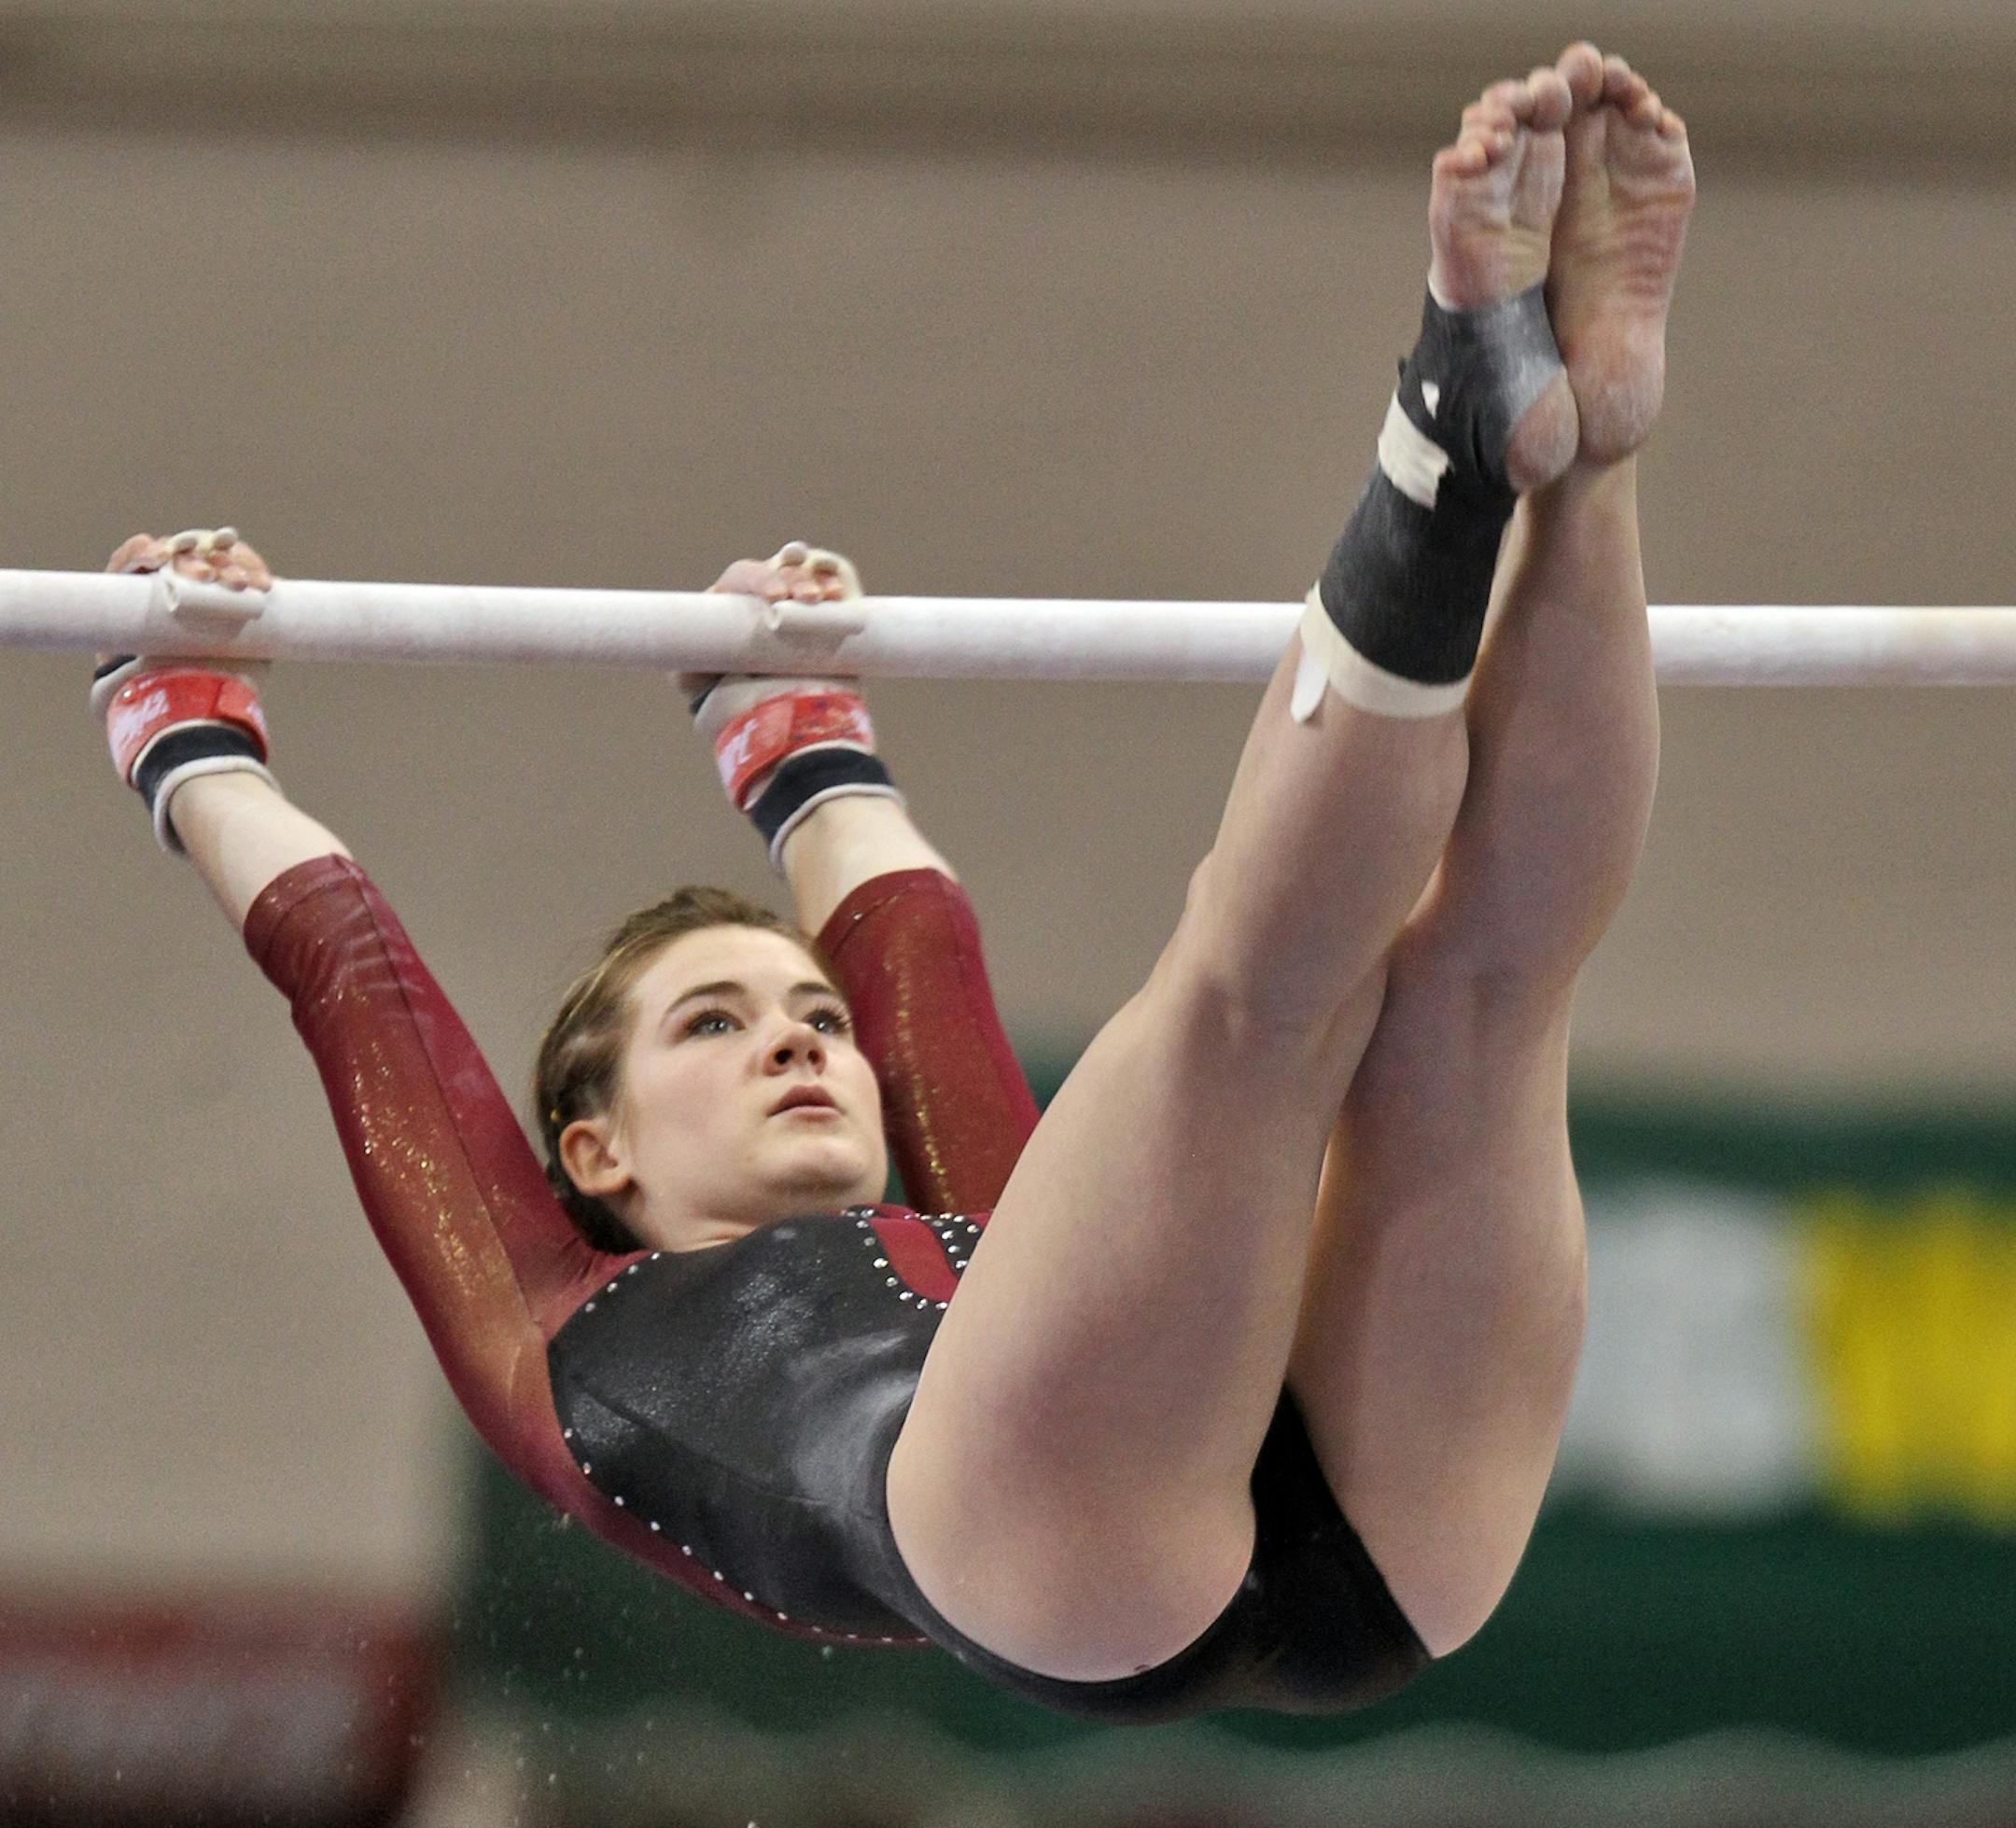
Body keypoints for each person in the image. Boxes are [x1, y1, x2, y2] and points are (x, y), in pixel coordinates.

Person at [86, 41, 1694, 1723]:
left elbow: (901, 940)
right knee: (1247, 1007)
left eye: (810, 1017)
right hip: (1060, 1540)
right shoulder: (546, 1322)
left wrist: (795, 737)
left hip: (1285, 1521)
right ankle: (1451, 405)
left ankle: (1589, 451)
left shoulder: (998, 1232)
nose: (802, 1043)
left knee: (1489, 994)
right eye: (713, 1026)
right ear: (593, 1151)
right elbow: (354, 983)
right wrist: (181, 732)